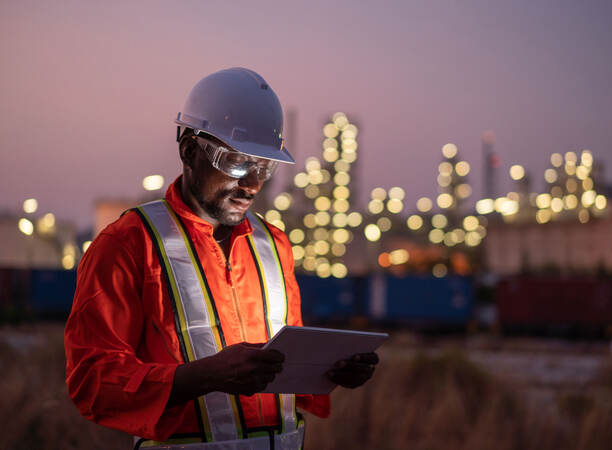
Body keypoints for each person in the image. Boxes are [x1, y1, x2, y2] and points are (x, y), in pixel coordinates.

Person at [64, 67, 379, 450]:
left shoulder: (274, 245)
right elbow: (92, 382)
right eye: (236, 162)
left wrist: (329, 369)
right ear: (189, 150)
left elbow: (288, 370)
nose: (251, 184)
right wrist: (202, 377)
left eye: (264, 167)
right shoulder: (129, 244)